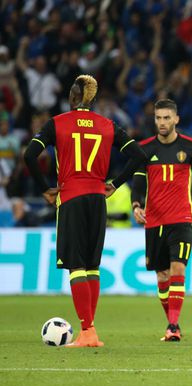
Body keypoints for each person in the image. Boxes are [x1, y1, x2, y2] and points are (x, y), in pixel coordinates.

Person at [23, 74, 146, 347]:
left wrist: (45, 188)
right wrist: (115, 183)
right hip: (97, 198)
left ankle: (87, 331)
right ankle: (89, 330)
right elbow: (139, 155)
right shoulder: (107, 125)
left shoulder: (57, 123)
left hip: (71, 197)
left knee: (76, 266)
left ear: (72, 98)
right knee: (92, 266)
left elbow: (30, 155)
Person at [131, 99, 192, 342]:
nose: (162, 122)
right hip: (154, 221)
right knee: (162, 277)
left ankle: (173, 325)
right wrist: (136, 205)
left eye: (167, 118)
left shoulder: (190, 148)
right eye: (158, 118)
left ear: (176, 119)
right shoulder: (144, 149)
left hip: (181, 219)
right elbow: (137, 184)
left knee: (178, 268)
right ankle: (172, 323)